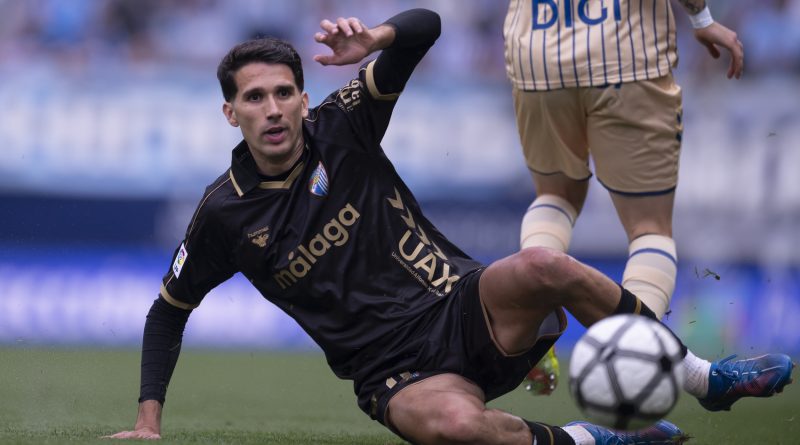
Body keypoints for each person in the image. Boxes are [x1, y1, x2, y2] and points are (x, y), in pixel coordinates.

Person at [106, 8, 793, 445]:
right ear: (232, 114)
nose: (274, 108)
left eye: (284, 92)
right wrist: (147, 422)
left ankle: (704, 378)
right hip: (394, 372)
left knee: (542, 265)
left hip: (467, 308)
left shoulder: (341, 125)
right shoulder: (223, 212)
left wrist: (377, 39)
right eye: (255, 98)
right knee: (455, 428)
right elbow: (169, 310)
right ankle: (597, 440)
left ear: (304, 98)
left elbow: (427, 27)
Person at [503, 0, 745, 395]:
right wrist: (701, 18)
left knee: (555, 197)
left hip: (536, 49)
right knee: (649, 228)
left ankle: (533, 321)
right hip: (624, 48)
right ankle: (631, 362)